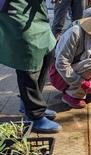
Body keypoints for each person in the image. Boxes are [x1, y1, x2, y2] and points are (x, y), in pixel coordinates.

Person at [0, 0, 62, 133]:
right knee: (29, 54)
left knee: (48, 50)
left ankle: (28, 102)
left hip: (35, 7)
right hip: (14, 6)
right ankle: (34, 114)